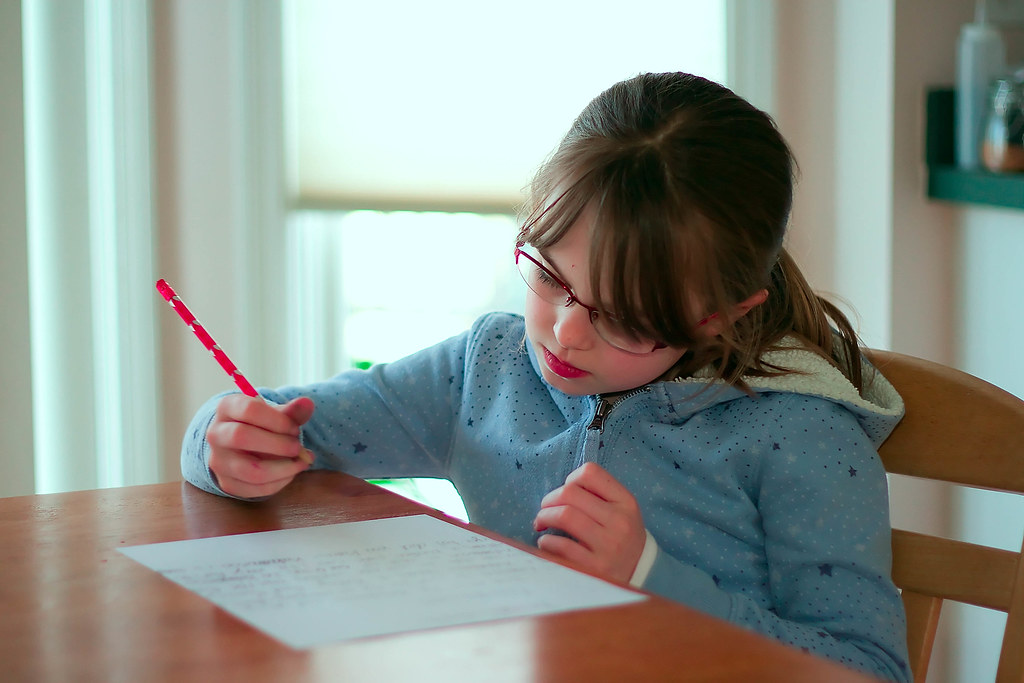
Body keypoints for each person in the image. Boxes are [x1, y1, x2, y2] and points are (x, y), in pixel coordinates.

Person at [182, 72, 910, 681]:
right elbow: (292, 425)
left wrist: (649, 572)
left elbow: (869, 667)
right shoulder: (488, 366)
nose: (565, 332)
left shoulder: (801, 432)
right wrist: (223, 440)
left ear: (719, 315)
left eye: (625, 317)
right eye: (549, 275)